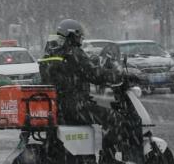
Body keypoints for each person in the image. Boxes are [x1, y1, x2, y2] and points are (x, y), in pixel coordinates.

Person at [38, 19, 125, 164]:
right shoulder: (73, 52)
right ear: (72, 35)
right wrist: (116, 74)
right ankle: (109, 159)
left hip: (57, 107)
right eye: (79, 36)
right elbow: (93, 74)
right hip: (73, 106)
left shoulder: (50, 53)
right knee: (113, 118)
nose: (80, 40)